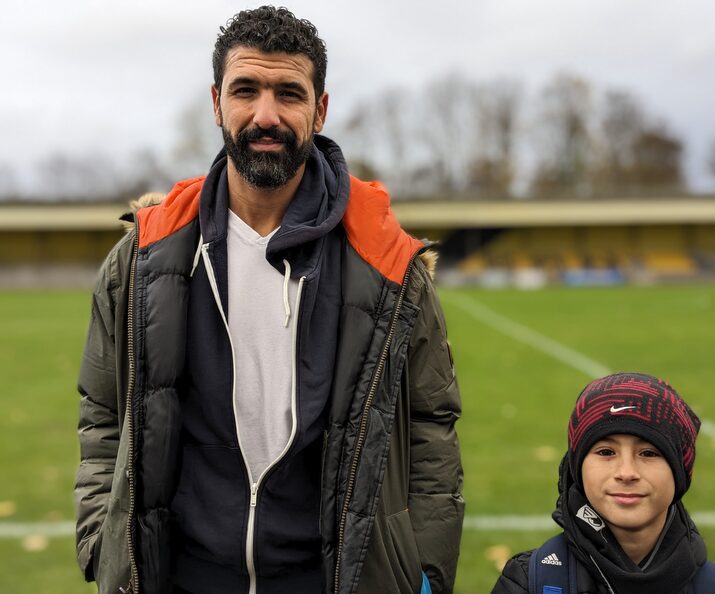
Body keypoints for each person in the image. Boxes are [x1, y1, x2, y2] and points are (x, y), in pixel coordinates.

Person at [74, 6, 463, 594]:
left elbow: (431, 428)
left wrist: (423, 571)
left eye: (288, 93)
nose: (265, 115)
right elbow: (102, 413)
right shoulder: (143, 259)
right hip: (182, 578)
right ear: (216, 103)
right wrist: (102, 541)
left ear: (320, 109)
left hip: (330, 579)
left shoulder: (388, 268)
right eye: (245, 90)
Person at [491, 372, 715, 594]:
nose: (627, 472)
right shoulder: (531, 582)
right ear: (577, 468)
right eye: (606, 452)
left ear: (681, 471)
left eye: (649, 453)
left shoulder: (714, 587)